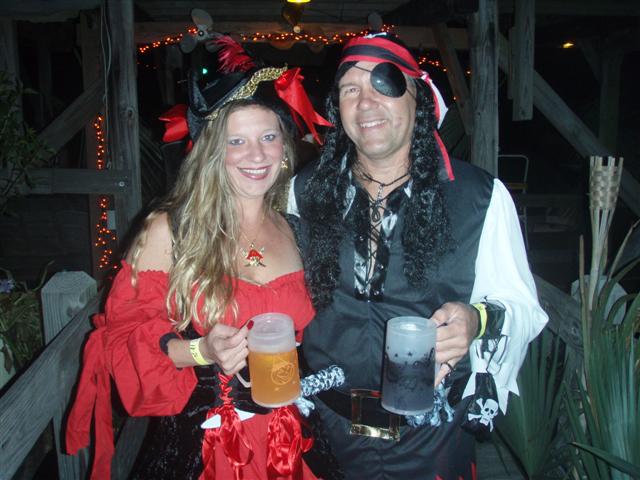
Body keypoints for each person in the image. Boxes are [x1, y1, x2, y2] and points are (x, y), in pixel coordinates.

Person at [65, 36, 330, 480]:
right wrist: (199, 349)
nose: (257, 154)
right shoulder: (170, 230)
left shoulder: (296, 229)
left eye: (268, 137)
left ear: (285, 148)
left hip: (294, 439)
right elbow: (123, 334)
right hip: (207, 446)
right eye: (236, 141)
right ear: (211, 153)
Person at [287, 31, 548, 478]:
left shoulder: (479, 197)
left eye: (384, 84)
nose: (366, 103)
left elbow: (522, 306)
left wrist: (475, 320)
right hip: (326, 435)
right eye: (350, 89)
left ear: (418, 99)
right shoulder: (302, 191)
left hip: (432, 440)